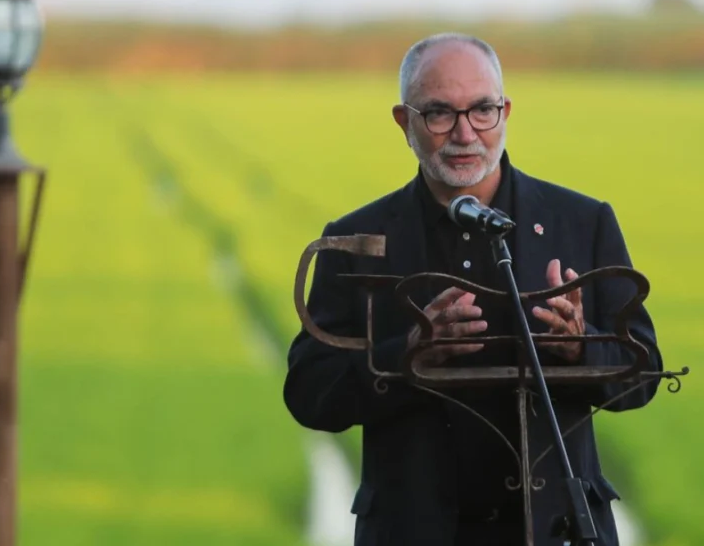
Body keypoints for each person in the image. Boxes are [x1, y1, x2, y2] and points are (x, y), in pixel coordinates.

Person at [283, 33, 663, 546]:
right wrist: (408, 354)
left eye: (482, 110)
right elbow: (310, 394)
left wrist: (580, 346)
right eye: (440, 113)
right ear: (405, 122)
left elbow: (643, 377)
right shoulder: (358, 238)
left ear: (505, 111)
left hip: (560, 530)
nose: (465, 133)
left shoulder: (582, 222)